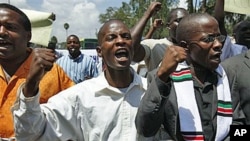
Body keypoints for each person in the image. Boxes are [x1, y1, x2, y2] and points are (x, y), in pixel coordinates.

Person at [11, 19, 149, 141]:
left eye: (126, 37)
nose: (120, 41)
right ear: (99, 51)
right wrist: (31, 85)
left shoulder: (152, 90)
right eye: (111, 38)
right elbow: (30, 135)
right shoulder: (79, 97)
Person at [135, 13, 244, 140]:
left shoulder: (226, 76)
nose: (218, 44)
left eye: (218, 37)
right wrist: (162, 77)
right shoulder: (162, 78)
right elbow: (145, 129)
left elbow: (239, 124)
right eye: (208, 39)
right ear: (185, 46)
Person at [0, 3, 75, 139]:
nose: (1, 32)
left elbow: (73, 115)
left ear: (28, 36)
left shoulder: (51, 72)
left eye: (10, 27)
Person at [131, 1, 189, 72]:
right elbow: (131, 51)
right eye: (179, 20)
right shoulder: (153, 45)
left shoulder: (193, 47)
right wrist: (147, 15)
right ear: (168, 26)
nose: (184, 24)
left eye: (187, 21)